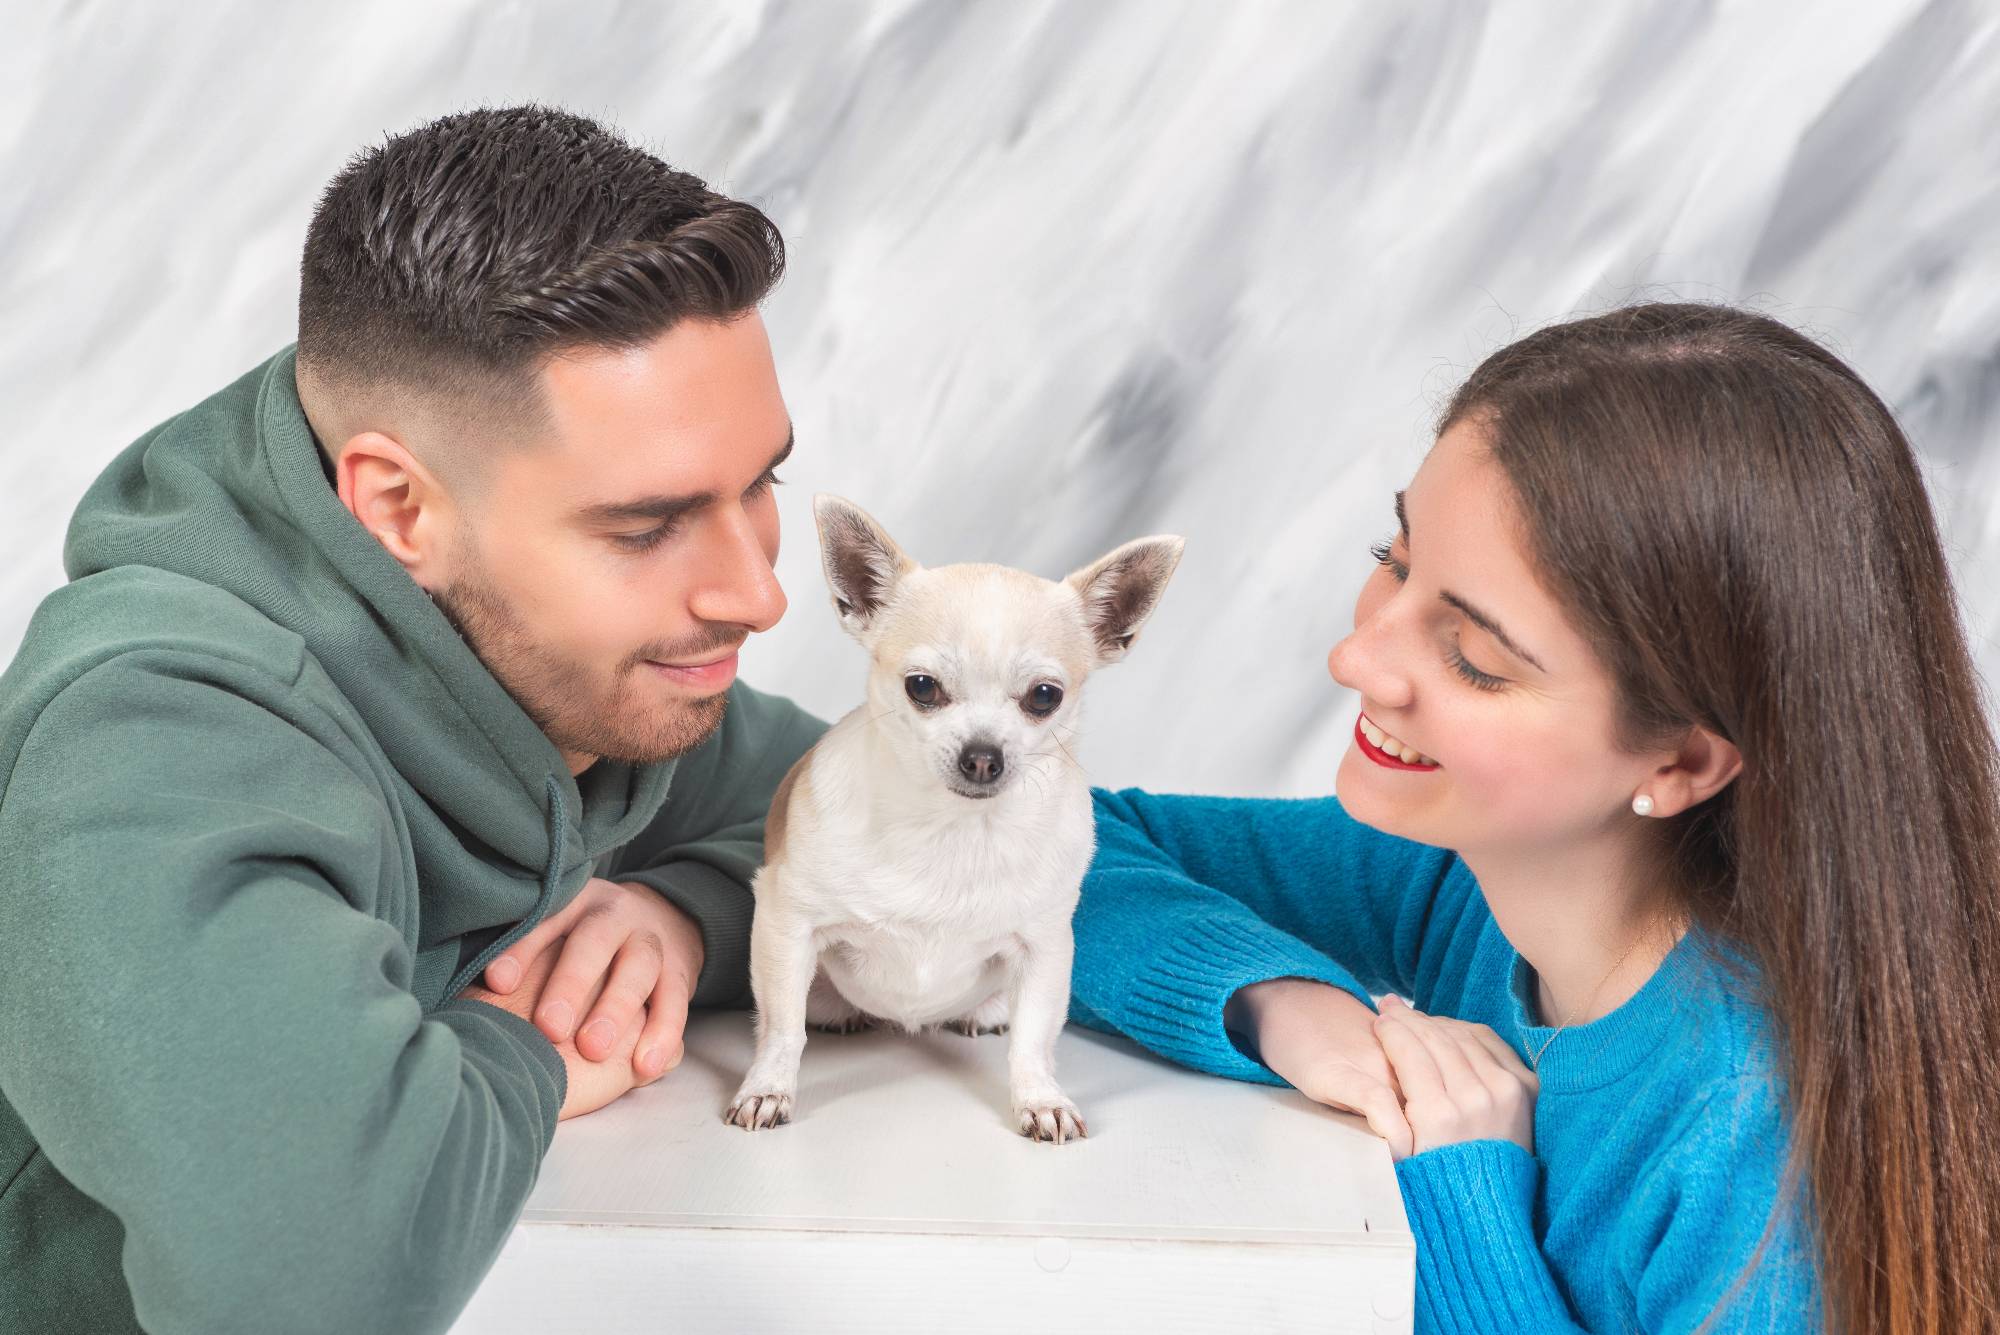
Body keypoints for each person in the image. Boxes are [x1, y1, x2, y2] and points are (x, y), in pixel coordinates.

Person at [0, 105, 825, 1334]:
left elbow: (845, 799)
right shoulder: (154, 735)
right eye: (644, 527)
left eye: (760, 484)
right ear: (396, 507)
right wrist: (523, 1041)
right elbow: (307, 1287)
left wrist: (675, 919)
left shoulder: (558, 660)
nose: (757, 591)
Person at [1067, 304, 2000, 1334]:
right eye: (1395, 557)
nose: (1357, 658)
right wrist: (1278, 1005)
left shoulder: (1747, 1148)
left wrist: (1462, 1201)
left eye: (1474, 657)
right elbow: (1049, 847)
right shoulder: (1458, 880)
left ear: (1679, 760)